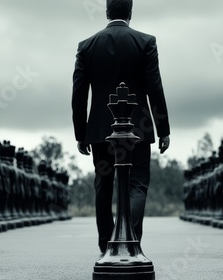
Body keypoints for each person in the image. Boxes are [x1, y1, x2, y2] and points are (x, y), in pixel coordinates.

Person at [72, 0, 170, 254]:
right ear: (130, 12)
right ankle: (131, 242)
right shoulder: (146, 42)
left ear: (107, 11)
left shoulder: (86, 46)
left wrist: (80, 133)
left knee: (103, 185)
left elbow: (79, 94)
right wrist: (163, 129)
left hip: (101, 131)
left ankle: (107, 245)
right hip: (138, 128)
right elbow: (154, 88)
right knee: (137, 185)